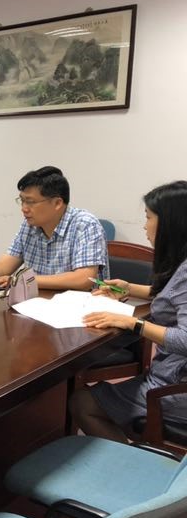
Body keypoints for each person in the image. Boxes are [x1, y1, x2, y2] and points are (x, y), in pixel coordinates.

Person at [70, 181, 187, 442]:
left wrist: (133, 323)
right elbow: (174, 295)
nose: (145, 226)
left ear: (171, 223)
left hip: (176, 386)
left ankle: (132, 463)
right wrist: (129, 287)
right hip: (172, 374)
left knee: (82, 403)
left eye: (149, 217)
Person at [0, 166, 108, 290]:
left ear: (57, 203)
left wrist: (22, 280)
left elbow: (84, 279)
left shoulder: (85, 224)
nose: (24, 208)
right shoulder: (30, 225)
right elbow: (3, 267)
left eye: (30, 202)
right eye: (21, 201)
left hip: (82, 312)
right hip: (38, 304)